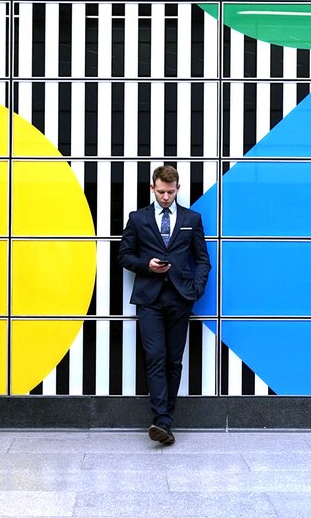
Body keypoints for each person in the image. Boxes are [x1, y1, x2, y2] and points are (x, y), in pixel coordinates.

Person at [118, 165, 210, 446]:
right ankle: (161, 421)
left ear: (178, 189)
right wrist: (146, 265)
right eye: (161, 192)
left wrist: (195, 290)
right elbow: (124, 255)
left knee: (174, 360)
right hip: (149, 300)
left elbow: (202, 259)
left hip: (180, 299)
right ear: (152, 189)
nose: (166, 197)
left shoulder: (192, 219)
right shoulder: (138, 219)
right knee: (155, 358)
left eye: (170, 192)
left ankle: (164, 421)